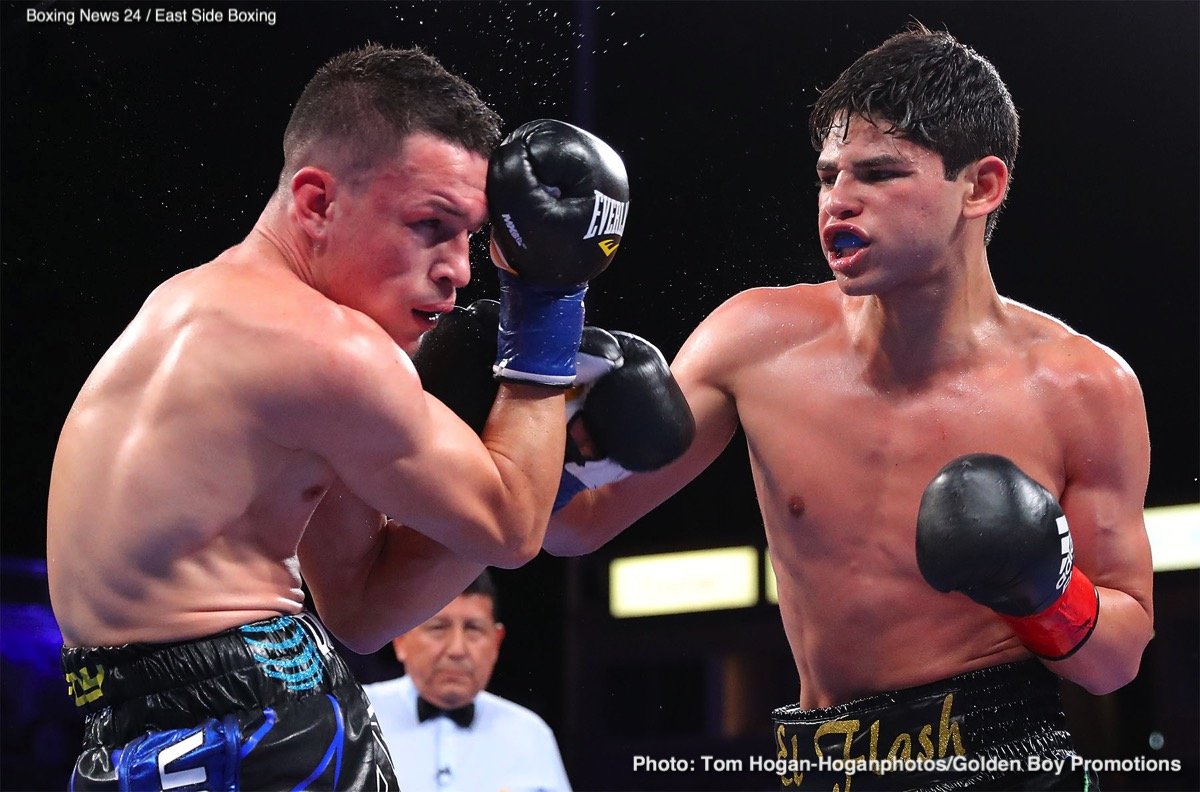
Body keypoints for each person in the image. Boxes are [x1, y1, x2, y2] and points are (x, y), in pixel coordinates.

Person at [546, 24, 1153, 791]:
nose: (839, 200)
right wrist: (545, 372)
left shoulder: (1082, 387)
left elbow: (1117, 660)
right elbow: (575, 523)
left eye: (879, 174)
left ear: (981, 186)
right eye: (829, 175)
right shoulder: (754, 341)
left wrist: (1043, 591)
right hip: (820, 766)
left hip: (1005, 761)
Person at [47, 44, 629, 789]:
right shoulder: (332, 348)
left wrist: (562, 468)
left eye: (471, 236)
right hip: (256, 726)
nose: (459, 268)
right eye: (430, 225)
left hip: (143, 734)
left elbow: (360, 609)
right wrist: (549, 304)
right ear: (318, 201)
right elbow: (514, 528)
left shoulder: (192, 304)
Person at [364, 571, 572, 792]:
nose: (457, 650)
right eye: (438, 628)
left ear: (496, 642)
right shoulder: (352, 716)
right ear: (400, 638)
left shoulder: (531, 735)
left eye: (474, 629)